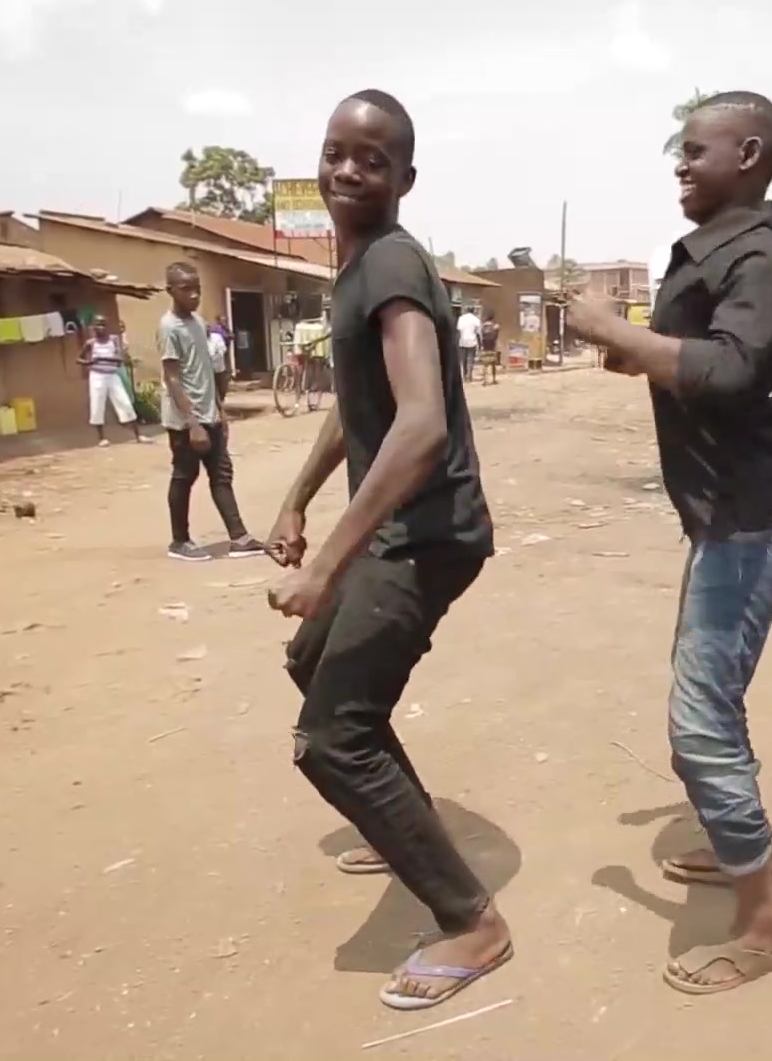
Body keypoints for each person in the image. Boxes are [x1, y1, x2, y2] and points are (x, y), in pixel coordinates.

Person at [566, 89, 772, 996]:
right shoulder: (713, 253)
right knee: (707, 705)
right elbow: (674, 355)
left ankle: (763, 923)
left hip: (757, 515)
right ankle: (733, 842)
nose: (680, 161)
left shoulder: (758, 259)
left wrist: (613, 327)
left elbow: (728, 368)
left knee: (699, 721)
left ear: (748, 154)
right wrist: (624, 340)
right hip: (727, 514)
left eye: (696, 148)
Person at [264, 90, 509, 1009]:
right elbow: (356, 406)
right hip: (400, 531)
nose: (347, 171)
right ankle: (404, 821)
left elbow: (418, 428)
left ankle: (472, 921)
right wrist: (294, 500)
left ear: (405, 177)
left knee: (331, 738)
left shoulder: (394, 265)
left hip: (426, 537)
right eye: (335, 153)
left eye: (371, 159)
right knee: (313, 663)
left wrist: (328, 561)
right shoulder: (359, 268)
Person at [159, 262, 262, 562]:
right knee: (184, 475)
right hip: (186, 420)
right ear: (171, 290)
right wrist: (193, 423)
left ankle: (239, 537)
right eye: (186, 289)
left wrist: (219, 410)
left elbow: (205, 371)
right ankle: (179, 541)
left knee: (221, 474)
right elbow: (173, 378)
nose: (194, 294)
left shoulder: (197, 322)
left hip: (209, 414)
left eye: (197, 288)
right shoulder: (169, 327)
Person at [79, 315, 144, 446]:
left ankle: (138, 435)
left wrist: (108, 359)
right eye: (98, 324)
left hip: (112, 375)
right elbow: (78, 359)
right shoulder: (90, 343)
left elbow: (120, 357)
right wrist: (89, 361)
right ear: (93, 327)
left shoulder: (113, 340)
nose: (101, 327)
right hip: (97, 376)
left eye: (103, 324)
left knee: (125, 403)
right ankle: (102, 438)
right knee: (97, 405)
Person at [456, 302, 482, 382]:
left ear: (466, 310)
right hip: (472, 341)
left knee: (463, 360)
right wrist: (480, 344)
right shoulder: (476, 319)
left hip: (462, 341)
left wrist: (457, 341)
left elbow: (459, 331)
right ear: (473, 311)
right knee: (471, 359)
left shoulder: (461, 318)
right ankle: (469, 376)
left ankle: (464, 375)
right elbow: (478, 333)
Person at [478, 309, 501, 385]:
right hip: (492, 345)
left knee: (485, 364)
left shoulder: (483, 326)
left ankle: (485, 380)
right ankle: (494, 379)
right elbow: (496, 336)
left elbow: (480, 335)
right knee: (493, 363)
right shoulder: (495, 326)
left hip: (485, 345)